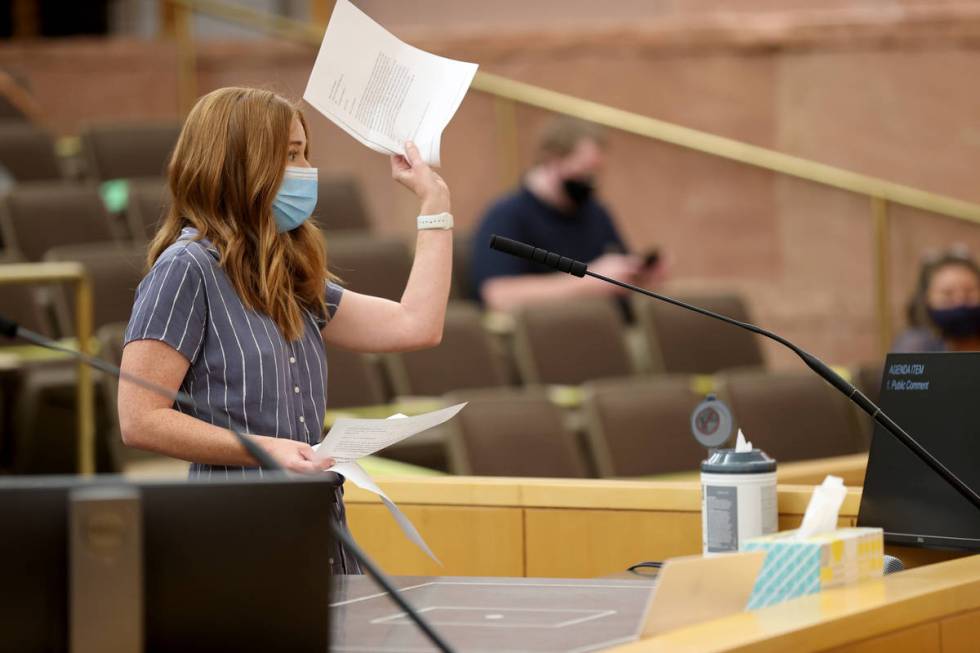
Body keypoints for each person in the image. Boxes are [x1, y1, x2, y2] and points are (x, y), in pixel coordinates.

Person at [117, 87, 453, 574]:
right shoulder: (186, 268)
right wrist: (264, 449)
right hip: (234, 532)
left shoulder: (287, 272)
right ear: (239, 166)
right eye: (291, 156)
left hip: (315, 525)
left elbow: (415, 325)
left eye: (303, 154)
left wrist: (434, 202)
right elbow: (140, 418)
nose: (304, 171)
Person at [469, 116, 659, 311]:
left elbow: (616, 275)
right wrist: (590, 281)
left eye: (597, 172)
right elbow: (498, 295)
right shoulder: (505, 215)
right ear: (552, 160)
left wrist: (639, 275)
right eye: (585, 171)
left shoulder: (596, 212)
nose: (592, 182)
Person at [892, 247, 980, 352]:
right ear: (926, 299)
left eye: (969, 292)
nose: (960, 301)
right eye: (947, 294)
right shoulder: (914, 345)